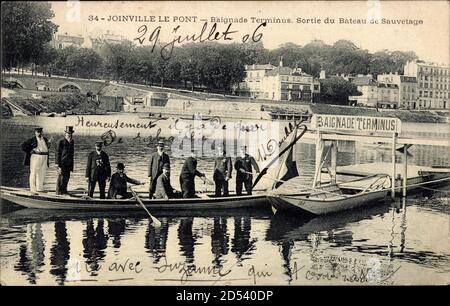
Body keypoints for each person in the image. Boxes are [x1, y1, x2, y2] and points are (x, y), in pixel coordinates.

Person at [21, 127, 51, 193]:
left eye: (40, 132)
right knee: (33, 173)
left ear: (42, 132)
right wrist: (29, 151)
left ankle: (39, 189)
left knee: (42, 173)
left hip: (44, 157)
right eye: (38, 132)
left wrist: (49, 144)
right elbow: (23, 146)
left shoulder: (45, 139)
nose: (39, 133)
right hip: (36, 157)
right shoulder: (32, 140)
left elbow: (46, 147)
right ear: (35, 132)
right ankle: (33, 189)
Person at [55, 126, 75, 195]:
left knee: (67, 178)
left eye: (71, 133)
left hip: (68, 164)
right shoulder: (60, 141)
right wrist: (57, 164)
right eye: (68, 133)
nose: (70, 135)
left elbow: (72, 154)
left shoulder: (72, 141)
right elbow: (57, 153)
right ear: (65, 134)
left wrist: (72, 164)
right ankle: (58, 193)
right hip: (62, 164)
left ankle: (64, 191)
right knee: (61, 178)